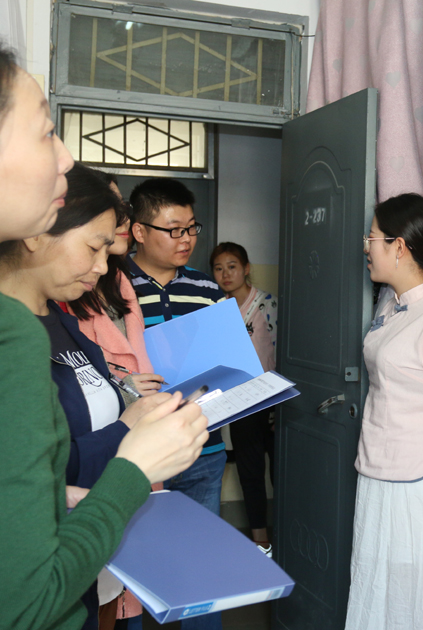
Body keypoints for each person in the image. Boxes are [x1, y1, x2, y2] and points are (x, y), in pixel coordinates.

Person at [0, 45, 208, 630]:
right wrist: (131, 464)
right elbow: (29, 600)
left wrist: (60, 498)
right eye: (45, 132)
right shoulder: (16, 335)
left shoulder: (56, 319)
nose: (65, 157)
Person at [0, 161, 175, 630]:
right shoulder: (13, 338)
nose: (103, 266)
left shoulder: (62, 321)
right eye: (94, 247)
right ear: (39, 231)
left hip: (81, 554)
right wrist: (129, 442)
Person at [345, 193, 423, 630]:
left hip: (420, 483)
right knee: (376, 590)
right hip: (377, 470)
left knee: (416, 600)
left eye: (372, 238)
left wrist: (416, 435)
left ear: (398, 247)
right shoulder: (392, 303)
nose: (366, 247)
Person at [126, 177, 225, 630]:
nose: (186, 239)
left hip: (202, 447)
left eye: (191, 228)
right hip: (139, 452)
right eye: (173, 230)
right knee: (133, 568)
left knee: (201, 564)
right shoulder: (113, 285)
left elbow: (224, 359)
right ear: (139, 230)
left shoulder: (206, 288)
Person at [67, 170, 163, 405]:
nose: (124, 219)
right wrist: (125, 389)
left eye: (124, 207)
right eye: (112, 207)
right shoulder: (66, 286)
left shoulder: (119, 280)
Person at [210, 242, 277, 556]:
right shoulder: (216, 310)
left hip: (274, 398)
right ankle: (260, 541)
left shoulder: (267, 304)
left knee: (281, 470)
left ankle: (286, 529)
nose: (225, 274)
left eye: (232, 266)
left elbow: (281, 350)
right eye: (218, 268)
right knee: (250, 472)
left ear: (246, 268)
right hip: (240, 402)